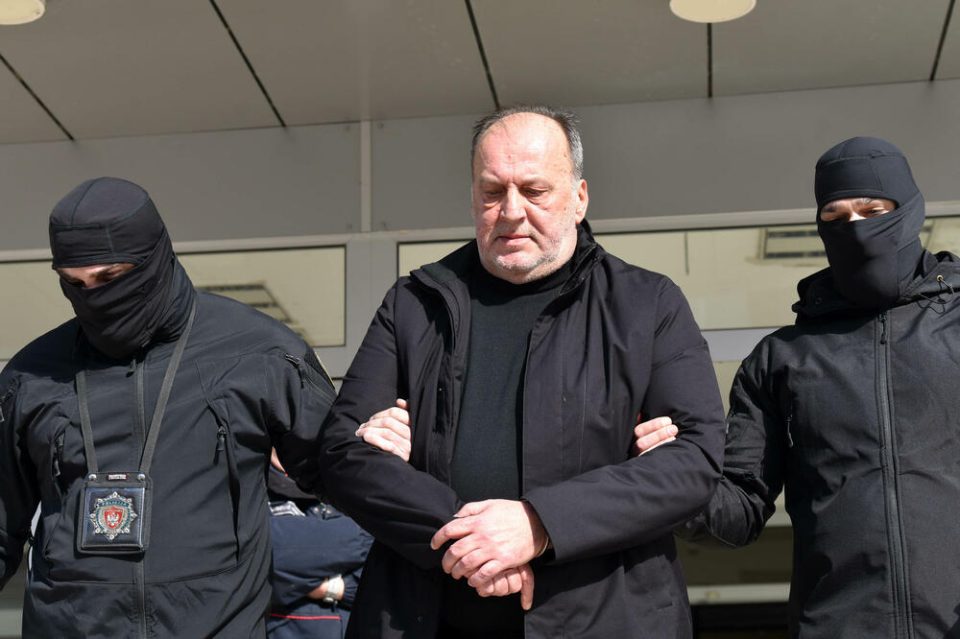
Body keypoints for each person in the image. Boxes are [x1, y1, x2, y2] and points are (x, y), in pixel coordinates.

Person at [309, 106, 726, 638]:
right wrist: (472, 541)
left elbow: (695, 460)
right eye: (492, 191)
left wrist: (538, 524)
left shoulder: (647, 305)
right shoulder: (415, 304)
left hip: (605, 619)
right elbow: (342, 453)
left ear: (579, 197)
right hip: (424, 618)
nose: (510, 211)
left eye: (534, 191)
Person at [636, 136, 960, 637]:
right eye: (835, 217)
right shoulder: (781, 360)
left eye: (873, 211)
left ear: (909, 210)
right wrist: (672, 474)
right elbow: (739, 509)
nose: (855, 228)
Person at [0, 177, 338, 638]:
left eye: (110, 278)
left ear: (155, 257)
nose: (94, 296)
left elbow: (347, 477)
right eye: (74, 283)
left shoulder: (259, 353)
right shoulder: (32, 376)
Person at [267, 449, 372, 639]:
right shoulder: (249, 486)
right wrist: (373, 531)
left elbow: (391, 580)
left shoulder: (356, 479)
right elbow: (267, 556)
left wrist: (313, 584)